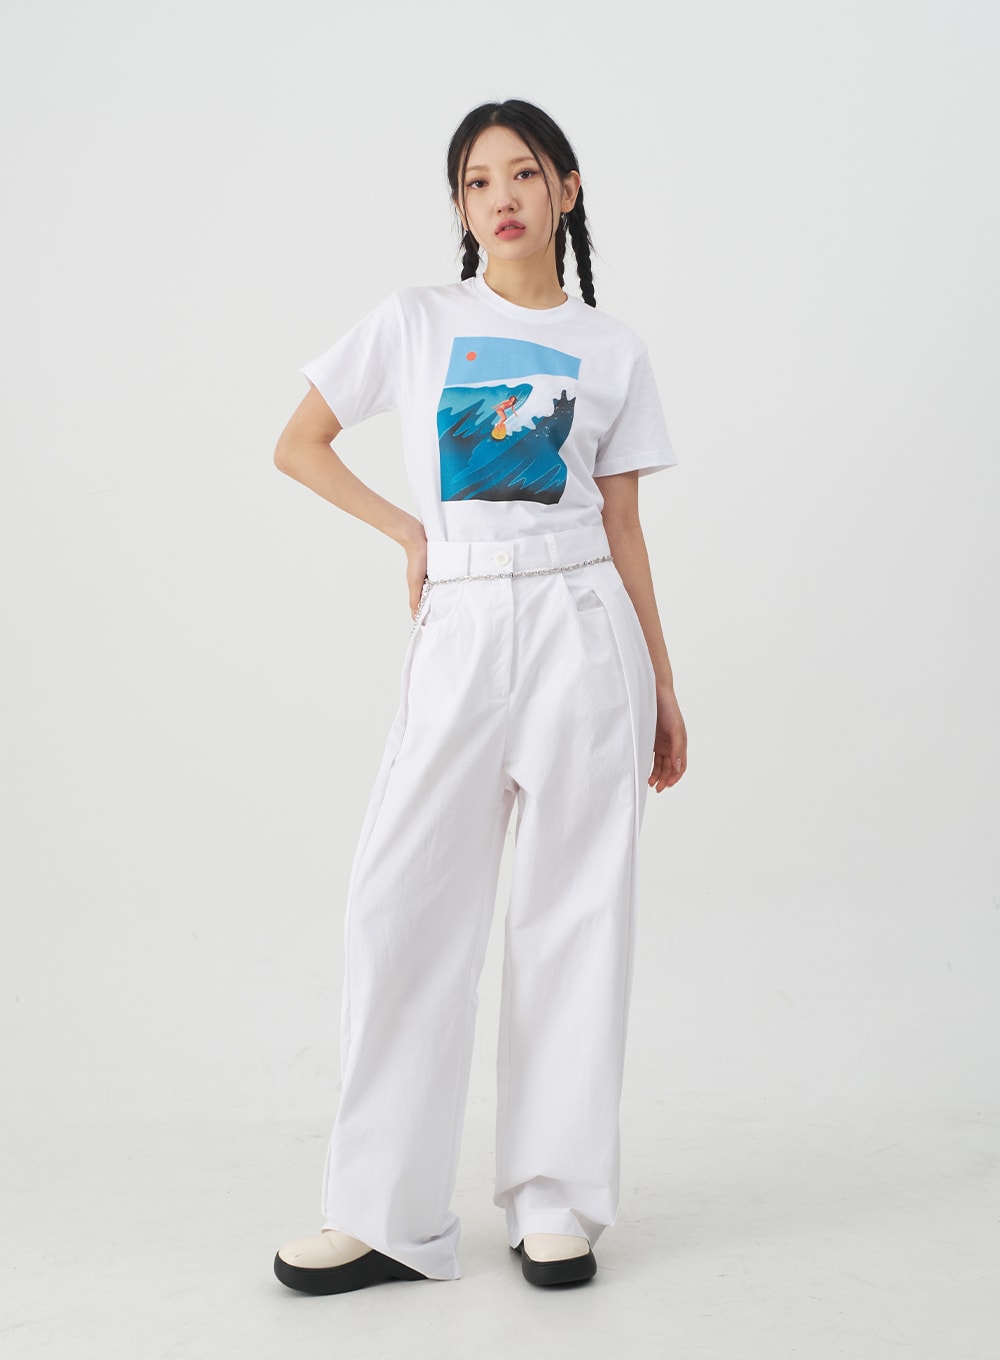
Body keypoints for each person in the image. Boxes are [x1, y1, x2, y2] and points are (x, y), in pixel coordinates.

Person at [271, 97, 688, 1295]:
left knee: (573, 912)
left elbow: (623, 524)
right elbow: (299, 442)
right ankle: (382, 1212)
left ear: (565, 188)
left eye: (520, 173)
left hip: (581, 627)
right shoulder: (417, 321)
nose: (498, 197)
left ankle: (556, 1201)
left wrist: (663, 680)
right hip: (459, 623)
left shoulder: (611, 348)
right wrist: (409, 532)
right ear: (459, 207)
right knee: (399, 903)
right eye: (474, 181)